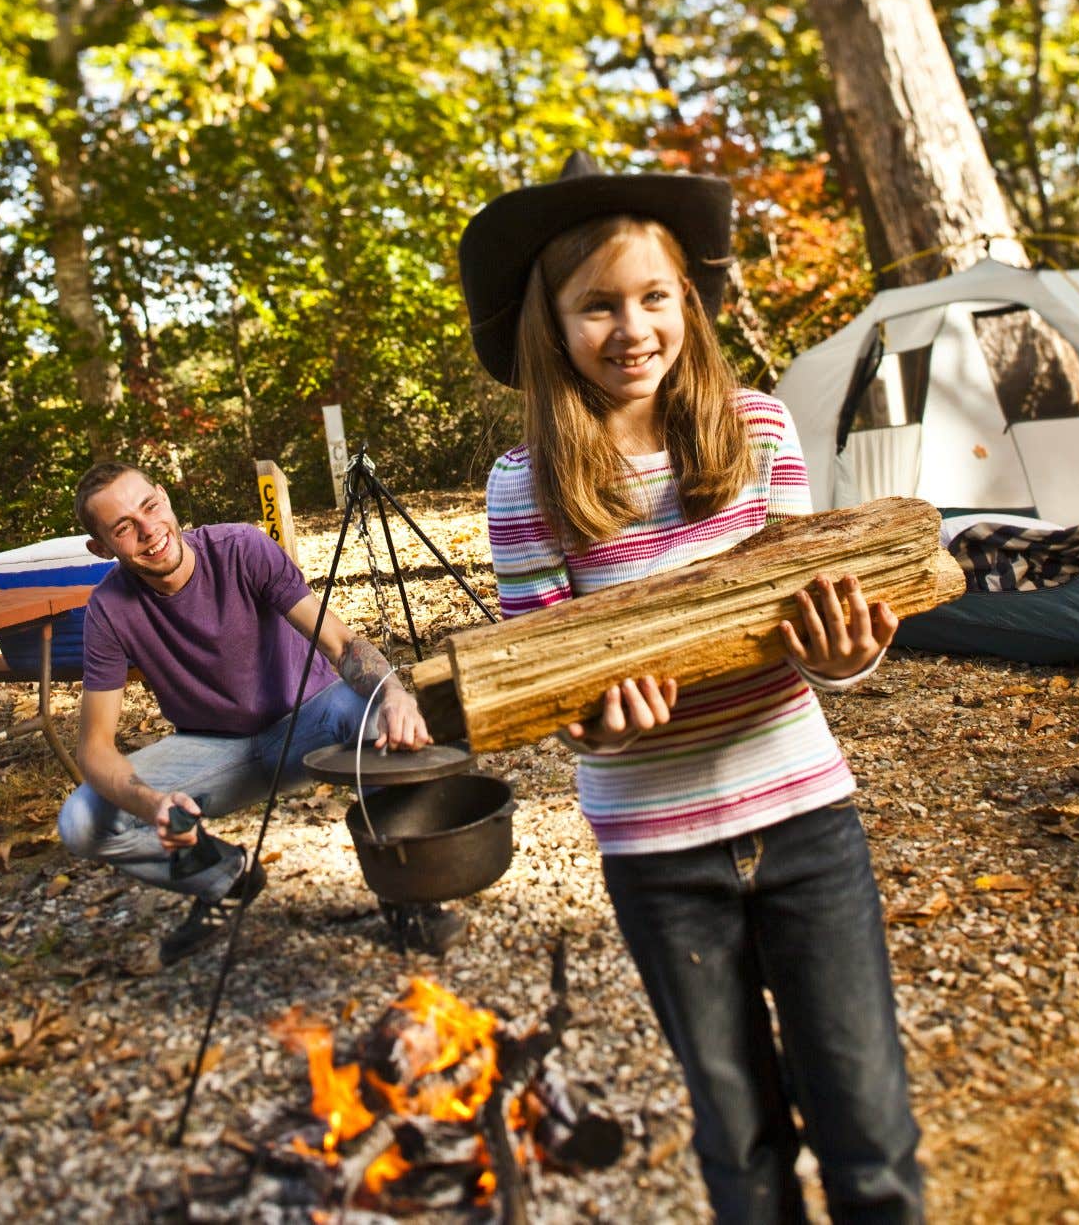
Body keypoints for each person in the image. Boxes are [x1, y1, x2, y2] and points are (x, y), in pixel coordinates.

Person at [463, 153, 924, 1222]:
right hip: (657, 851)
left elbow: (811, 629)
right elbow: (548, 683)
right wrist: (601, 732)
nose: (630, 329)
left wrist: (848, 656)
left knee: (868, 1132)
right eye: (596, 307)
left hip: (805, 819)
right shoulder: (524, 485)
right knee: (737, 1136)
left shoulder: (755, 428)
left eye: (651, 298)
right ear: (550, 323)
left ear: (686, 305)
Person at [56, 462, 463, 965]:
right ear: (101, 548)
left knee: (383, 719)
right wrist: (152, 804)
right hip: (217, 748)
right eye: (122, 528)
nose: (147, 530)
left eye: (149, 506)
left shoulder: (239, 549)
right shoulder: (109, 609)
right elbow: (94, 747)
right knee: (83, 821)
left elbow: (339, 642)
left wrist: (394, 695)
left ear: (164, 495)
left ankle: (411, 894)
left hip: (314, 716)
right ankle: (226, 878)